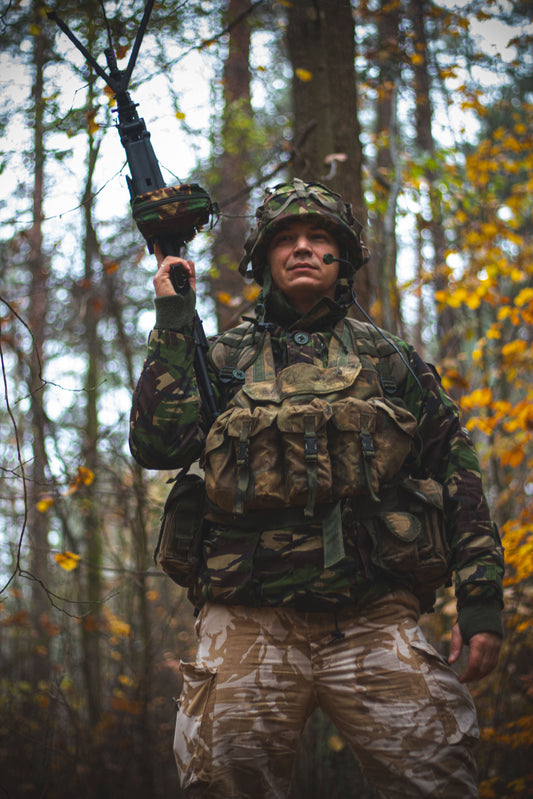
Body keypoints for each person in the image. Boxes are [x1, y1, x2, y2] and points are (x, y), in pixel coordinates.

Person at [129, 179, 504, 798]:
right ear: (265, 260)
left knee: (438, 780)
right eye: (287, 239)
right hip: (247, 618)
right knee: (224, 785)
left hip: (375, 615)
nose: (303, 248)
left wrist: (482, 601)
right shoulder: (219, 357)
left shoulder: (390, 361)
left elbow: (457, 472)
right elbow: (157, 447)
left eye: (320, 238)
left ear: (343, 259)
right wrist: (173, 317)